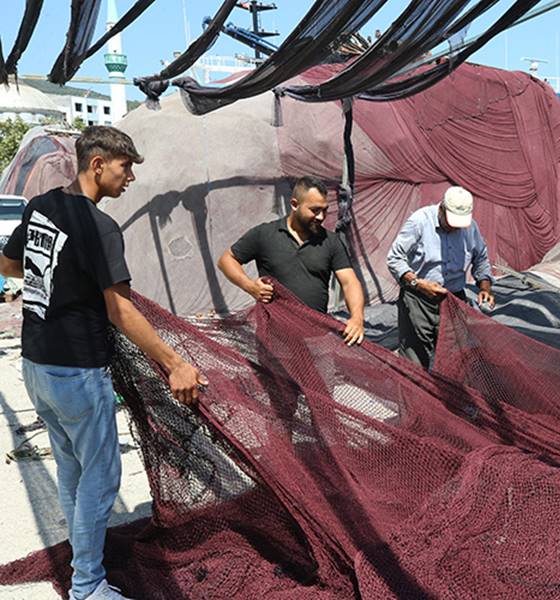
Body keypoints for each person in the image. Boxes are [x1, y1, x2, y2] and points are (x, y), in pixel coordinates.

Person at [0, 126, 206, 600]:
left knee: (72, 468)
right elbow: (120, 309)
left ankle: (82, 560)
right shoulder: (101, 227)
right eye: (125, 166)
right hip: (78, 370)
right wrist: (175, 363)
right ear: (98, 164)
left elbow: (11, 265)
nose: (130, 176)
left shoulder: (40, 206)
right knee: (101, 477)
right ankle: (89, 585)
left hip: (37, 367)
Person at [217, 176, 365, 345]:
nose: (321, 216)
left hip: (316, 338)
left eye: (324, 210)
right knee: (271, 372)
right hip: (274, 339)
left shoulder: (331, 241)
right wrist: (250, 286)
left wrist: (357, 318)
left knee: (318, 372)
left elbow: (349, 282)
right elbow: (226, 260)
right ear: (294, 204)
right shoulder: (265, 234)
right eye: (315, 210)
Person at [387, 186, 494, 368]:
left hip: (453, 300)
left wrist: (485, 288)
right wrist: (418, 283)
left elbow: (481, 257)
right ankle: (415, 396)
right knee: (414, 360)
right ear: (442, 208)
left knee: (453, 358)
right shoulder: (419, 222)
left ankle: (443, 395)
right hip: (418, 299)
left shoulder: (470, 228)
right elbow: (395, 258)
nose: (454, 227)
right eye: (451, 221)